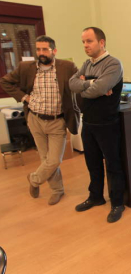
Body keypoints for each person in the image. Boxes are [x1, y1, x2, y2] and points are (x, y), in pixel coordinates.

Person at [0, 35, 80, 205]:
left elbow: (82, 81)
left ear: (54, 51)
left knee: (54, 160)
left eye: (45, 49)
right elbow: (5, 82)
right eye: (38, 49)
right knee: (45, 159)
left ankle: (34, 179)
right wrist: (24, 97)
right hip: (35, 119)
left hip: (57, 120)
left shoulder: (67, 67)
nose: (41, 53)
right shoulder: (25, 67)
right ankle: (57, 190)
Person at [69, 27, 126, 223]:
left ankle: (118, 203)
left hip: (107, 123)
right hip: (89, 122)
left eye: (89, 41)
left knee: (113, 165)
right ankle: (96, 197)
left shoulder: (113, 64)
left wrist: (90, 85)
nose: (85, 45)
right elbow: (72, 84)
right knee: (92, 163)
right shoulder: (87, 64)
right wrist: (91, 83)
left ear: (101, 42)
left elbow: (99, 89)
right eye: (83, 41)